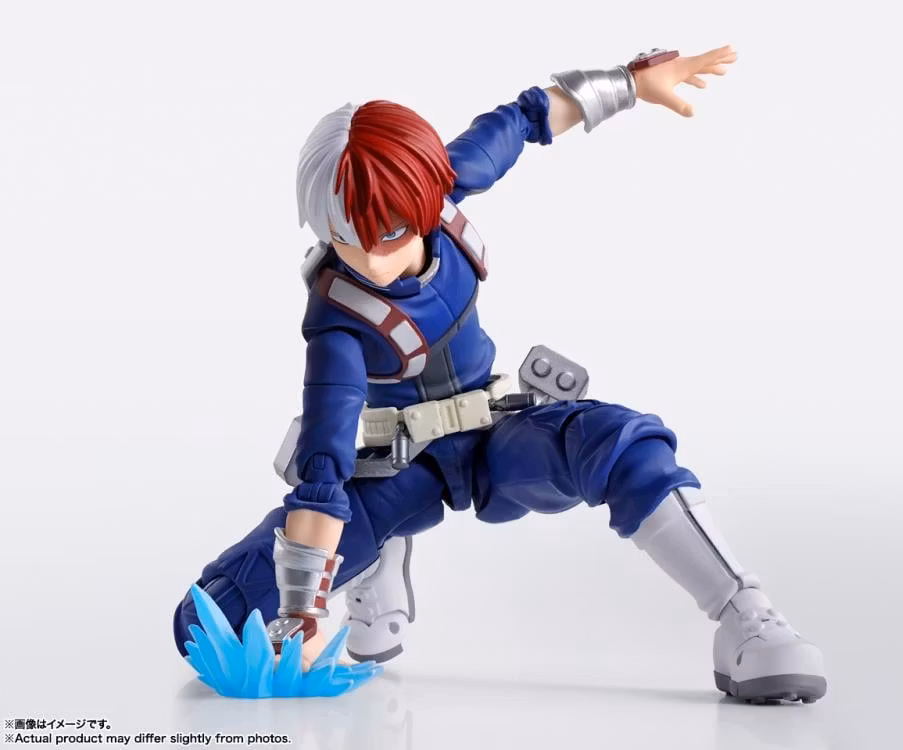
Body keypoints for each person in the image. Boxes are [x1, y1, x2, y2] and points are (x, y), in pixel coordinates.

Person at [173, 45, 827, 704]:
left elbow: (527, 118)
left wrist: (630, 82)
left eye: (388, 231)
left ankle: (747, 617)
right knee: (211, 622)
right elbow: (324, 460)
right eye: (346, 234)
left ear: (424, 199)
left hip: (493, 437)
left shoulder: (439, 187)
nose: (369, 258)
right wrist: (302, 613)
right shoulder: (338, 320)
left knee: (623, 444)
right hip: (393, 472)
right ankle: (376, 558)